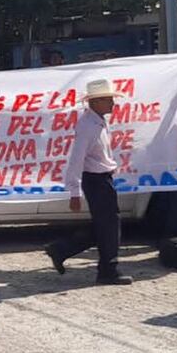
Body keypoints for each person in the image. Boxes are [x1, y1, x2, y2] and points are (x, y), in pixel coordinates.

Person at [45, 79, 131, 285]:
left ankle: (62, 249)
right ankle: (108, 270)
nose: (113, 103)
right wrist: (74, 191)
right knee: (109, 226)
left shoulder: (96, 122)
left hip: (100, 179)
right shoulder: (88, 126)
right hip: (96, 181)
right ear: (96, 101)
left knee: (105, 225)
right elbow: (77, 159)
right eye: (109, 99)